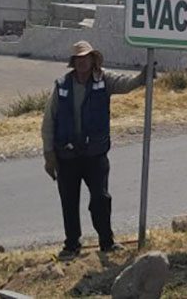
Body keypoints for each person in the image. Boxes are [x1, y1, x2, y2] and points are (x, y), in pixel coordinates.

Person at [42, 41, 150, 260]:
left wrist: (143, 77)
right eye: (78, 59)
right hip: (67, 156)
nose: (82, 62)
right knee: (69, 202)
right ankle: (71, 245)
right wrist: (49, 155)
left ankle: (106, 242)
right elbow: (49, 121)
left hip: (95, 154)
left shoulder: (104, 80)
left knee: (101, 198)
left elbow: (126, 84)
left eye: (86, 58)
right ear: (73, 62)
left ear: (93, 60)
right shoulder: (62, 85)